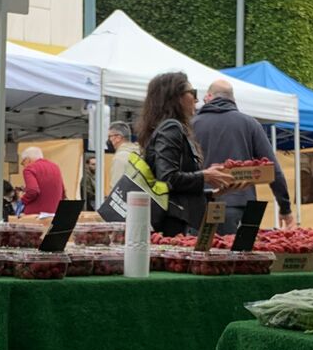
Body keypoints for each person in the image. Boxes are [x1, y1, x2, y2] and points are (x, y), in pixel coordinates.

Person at [136, 71, 235, 235]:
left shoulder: (166, 127)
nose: (196, 99)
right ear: (176, 97)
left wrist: (211, 192)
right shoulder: (171, 128)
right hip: (175, 226)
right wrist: (205, 176)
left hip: (175, 222)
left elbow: (175, 189)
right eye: (192, 92)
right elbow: (168, 178)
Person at [193, 79, 295, 234]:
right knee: (237, 256)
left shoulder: (191, 124)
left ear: (208, 97)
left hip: (200, 205)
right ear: (233, 99)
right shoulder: (250, 124)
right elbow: (273, 169)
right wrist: (285, 207)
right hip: (240, 205)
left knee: (198, 255)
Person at [19, 145, 66, 215]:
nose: (23, 166)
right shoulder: (55, 167)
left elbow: (33, 190)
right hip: (54, 213)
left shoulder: (29, 169)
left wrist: (22, 199)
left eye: (23, 163)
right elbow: (63, 192)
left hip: (36, 215)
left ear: (27, 160)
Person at [106, 121, 141, 188]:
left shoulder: (120, 157)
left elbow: (116, 187)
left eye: (109, 136)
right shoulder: (138, 152)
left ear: (118, 138)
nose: (108, 140)